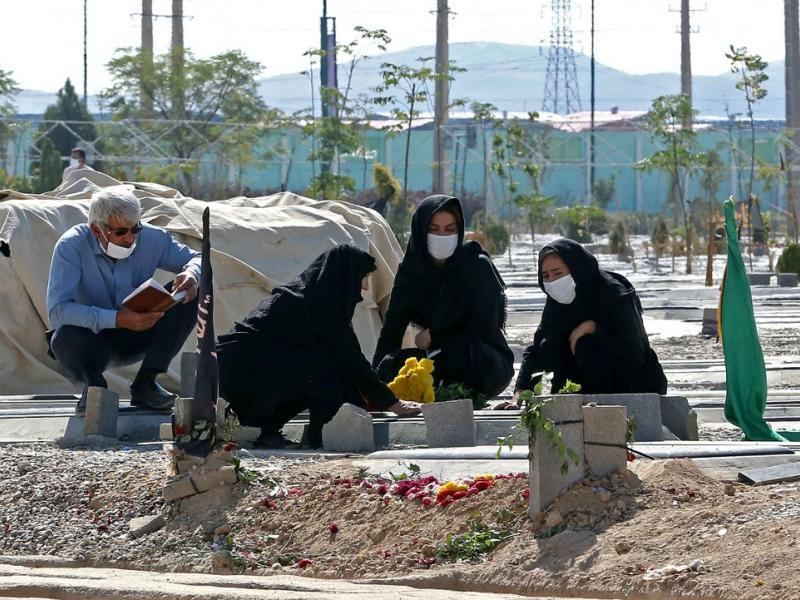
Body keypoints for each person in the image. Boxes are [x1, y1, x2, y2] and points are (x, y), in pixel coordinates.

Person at [216, 245, 422, 449]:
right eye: (363, 277)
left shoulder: (315, 302)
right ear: (346, 276)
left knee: (325, 363)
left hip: (239, 381)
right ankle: (288, 430)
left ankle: (269, 429)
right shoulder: (310, 307)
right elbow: (354, 362)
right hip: (238, 382)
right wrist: (393, 403)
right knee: (328, 368)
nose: (366, 287)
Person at [46, 189, 200, 414]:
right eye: (120, 232)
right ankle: (94, 387)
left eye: (135, 229)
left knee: (192, 292)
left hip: (140, 331)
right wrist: (117, 319)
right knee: (63, 338)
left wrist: (191, 274)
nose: (130, 238)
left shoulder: (153, 238)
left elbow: (198, 258)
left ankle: (146, 383)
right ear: (96, 230)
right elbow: (58, 311)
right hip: (92, 340)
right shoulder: (71, 246)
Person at [372, 195, 514, 400]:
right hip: (437, 358)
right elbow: (391, 333)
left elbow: (485, 327)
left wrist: (436, 336)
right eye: (434, 229)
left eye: (449, 229)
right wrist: (375, 385)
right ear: (421, 231)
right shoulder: (411, 273)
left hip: (481, 360)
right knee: (391, 365)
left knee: (459, 355)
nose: (442, 236)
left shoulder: (476, 265)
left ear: (459, 230)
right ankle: (435, 390)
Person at [514, 239, 667, 400]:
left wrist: (595, 329)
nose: (552, 281)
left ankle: (601, 402)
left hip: (633, 382)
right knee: (550, 343)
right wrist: (521, 391)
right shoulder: (557, 301)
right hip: (583, 381)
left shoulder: (613, 293)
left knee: (584, 343)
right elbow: (537, 347)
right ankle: (566, 398)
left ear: (576, 269)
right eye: (546, 276)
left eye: (558, 273)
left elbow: (635, 353)